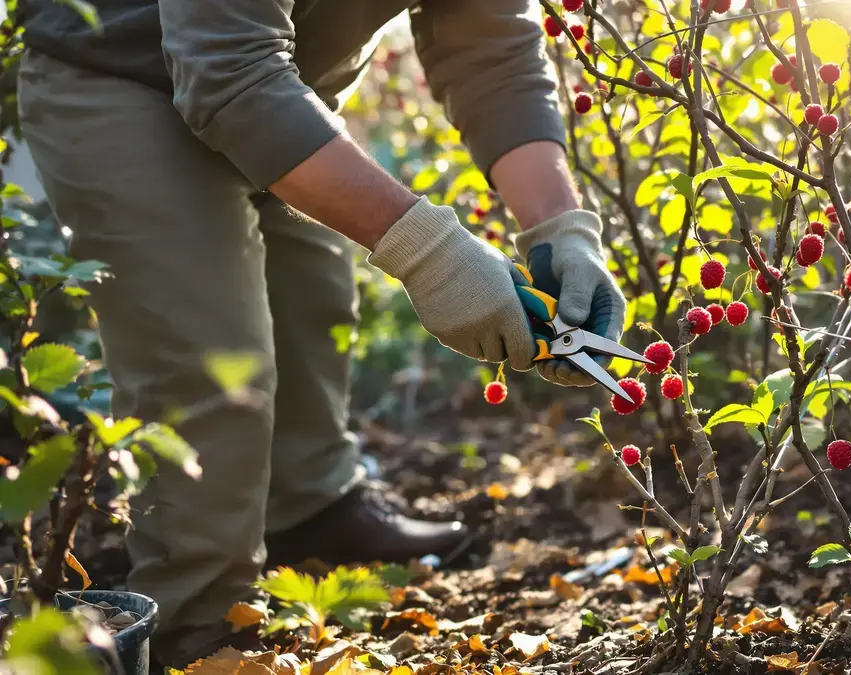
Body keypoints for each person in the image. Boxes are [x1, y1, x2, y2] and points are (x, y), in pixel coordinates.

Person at [18, 0, 625, 668]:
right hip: (122, 78)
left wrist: (560, 228)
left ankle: (310, 510)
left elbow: (492, 49)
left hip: (284, 85)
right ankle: (198, 629)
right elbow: (227, 69)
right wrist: (431, 254)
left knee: (313, 307)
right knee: (209, 368)